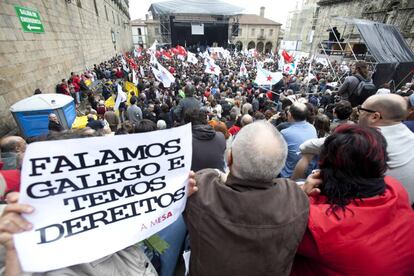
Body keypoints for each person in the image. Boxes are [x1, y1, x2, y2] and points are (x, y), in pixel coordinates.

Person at [184, 121, 309, 276]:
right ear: (280, 166)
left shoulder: (200, 191)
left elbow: (204, 177)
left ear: (229, 158)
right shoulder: (297, 198)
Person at [292, 124, 414, 275]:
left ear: (324, 167)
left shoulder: (314, 221)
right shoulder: (395, 188)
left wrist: (300, 195)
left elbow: (268, 229)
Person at [280, 103, 317, 178]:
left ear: (289, 115)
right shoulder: (312, 127)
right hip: (309, 173)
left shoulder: (285, 133)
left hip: (289, 176)